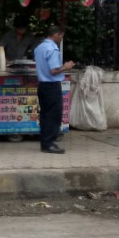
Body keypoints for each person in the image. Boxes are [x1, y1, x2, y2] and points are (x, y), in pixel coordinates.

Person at [34, 25, 75, 153]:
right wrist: (66, 67)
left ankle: (45, 142)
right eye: (61, 36)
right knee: (54, 115)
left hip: (42, 85)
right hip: (52, 86)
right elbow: (54, 70)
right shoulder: (52, 49)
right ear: (56, 35)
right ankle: (49, 143)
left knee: (45, 114)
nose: (61, 39)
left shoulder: (39, 48)